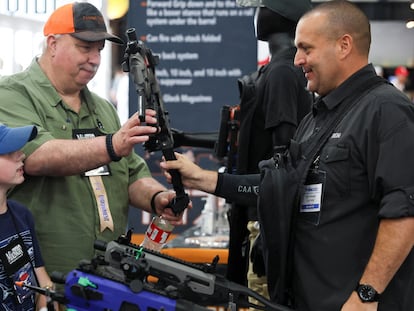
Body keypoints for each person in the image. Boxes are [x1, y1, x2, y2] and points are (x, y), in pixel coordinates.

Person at [161, 1, 414, 310]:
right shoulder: (316, 118)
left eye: (306, 49)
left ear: (344, 45)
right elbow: (279, 185)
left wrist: (367, 293)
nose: (297, 60)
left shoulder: (386, 111)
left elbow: (405, 212)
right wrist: (205, 179)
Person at [0, 2, 185, 279]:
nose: (95, 59)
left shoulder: (103, 108)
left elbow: (130, 172)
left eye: (99, 49)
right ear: (52, 44)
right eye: (85, 48)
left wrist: (157, 198)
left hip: (107, 281)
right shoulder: (12, 94)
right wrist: (112, 144)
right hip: (45, 281)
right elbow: (37, 157)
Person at [226, 0, 312, 307]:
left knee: (259, 298)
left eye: (262, 6)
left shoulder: (282, 72)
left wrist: (268, 231)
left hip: (263, 217)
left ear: (280, 14)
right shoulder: (280, 70)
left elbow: (284, 154)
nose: (256, 14)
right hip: (258, 211)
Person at [0, 124, 54, 310]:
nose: (22, 155)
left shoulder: (22, 214)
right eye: (9, 151)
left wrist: (46, 304)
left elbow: (42, 280)